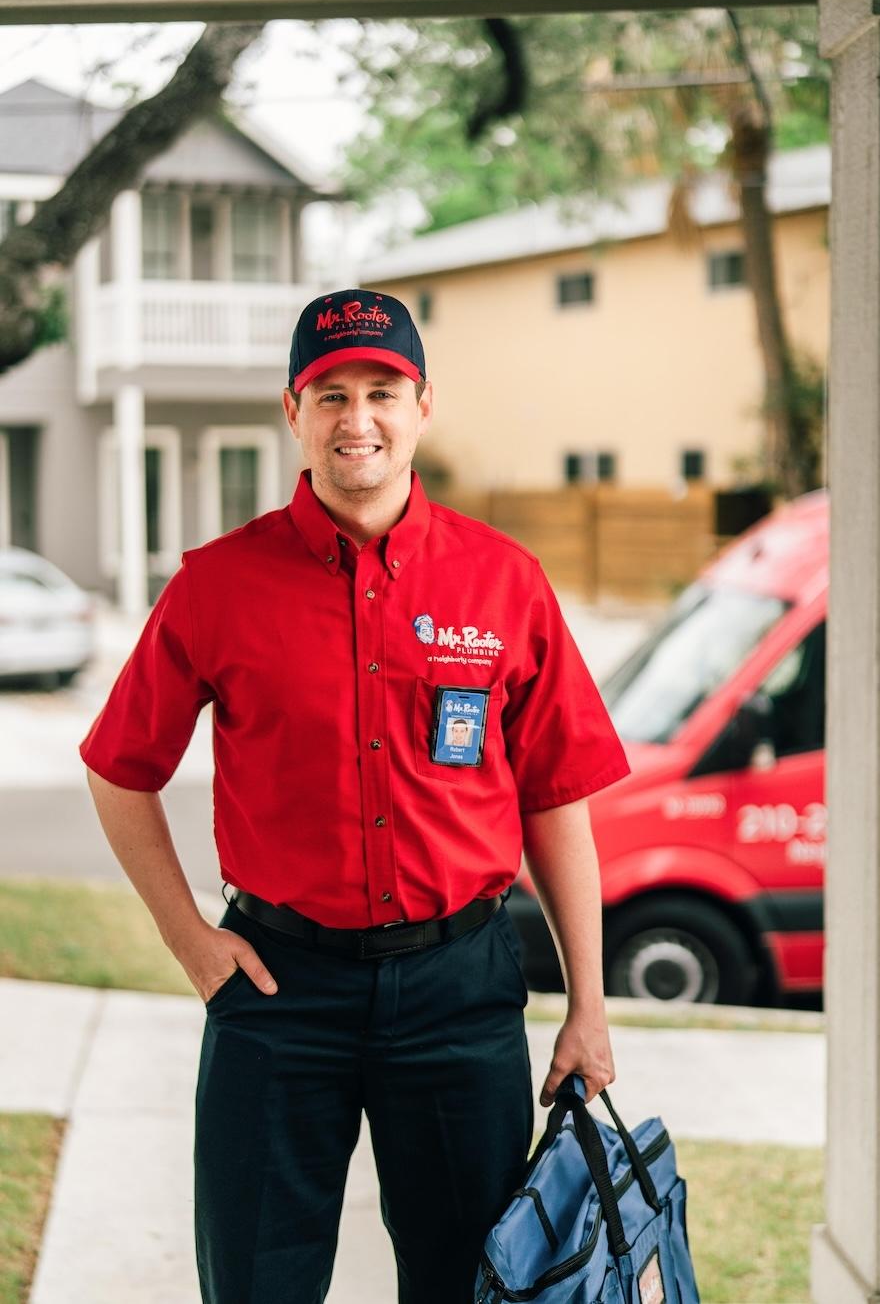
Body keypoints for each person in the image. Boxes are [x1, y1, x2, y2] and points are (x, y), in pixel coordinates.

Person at [79, 287, 632, 1304]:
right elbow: (119, 769)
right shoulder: (215, 584)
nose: (357, 418)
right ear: (293, 410)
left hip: (460, 993)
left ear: (422, 404)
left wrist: (587, 1007)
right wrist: (195, 944)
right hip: (279, 992)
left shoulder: (504, 582)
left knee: (470, 1281)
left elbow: (556, 797)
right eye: (330, 393)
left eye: (382, 389)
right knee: (255, 1281)